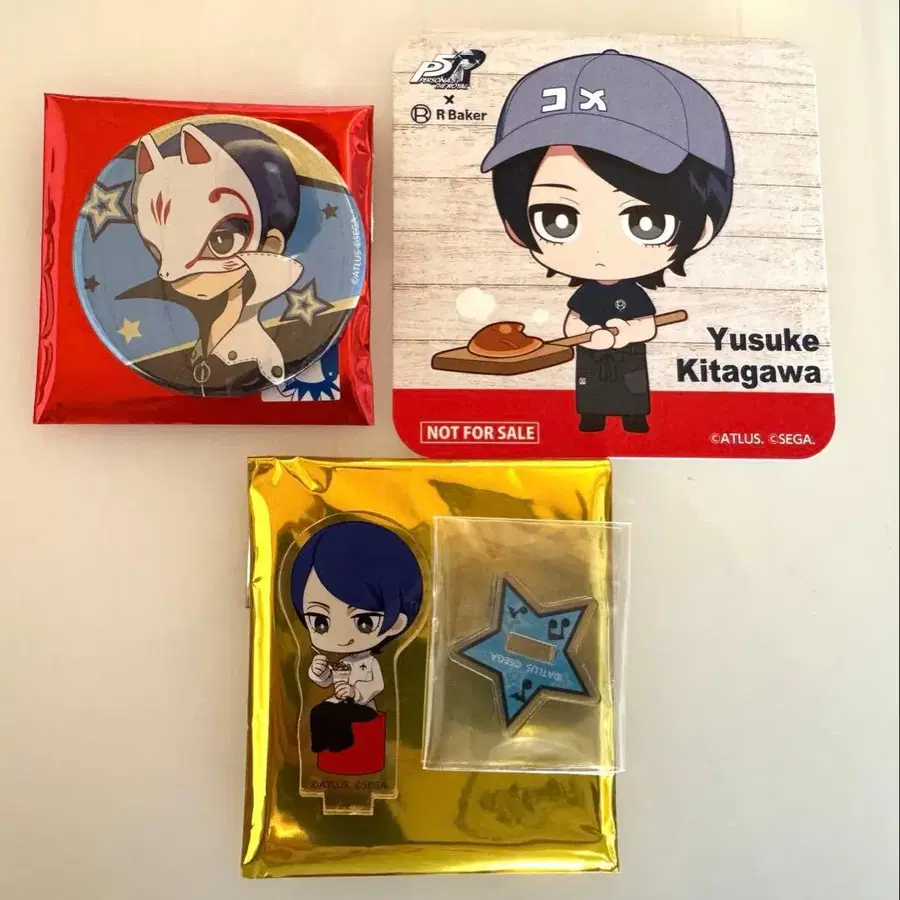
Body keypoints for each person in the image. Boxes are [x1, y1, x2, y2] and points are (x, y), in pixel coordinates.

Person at [482, 50, 734, 433]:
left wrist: (630, 332)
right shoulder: (586, 295)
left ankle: (634, 418)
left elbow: (646, 323)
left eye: (646, 221)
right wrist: (582, 334)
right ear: (516, 227)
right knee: (591, 391)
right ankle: (592, 417)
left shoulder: (634, 294)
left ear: (701, 230)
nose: (600, 250)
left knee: (632, 389)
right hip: (591, 355)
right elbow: (573, 320)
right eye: (558, 219)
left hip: (628, 356)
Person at [119, 122, 302, 393]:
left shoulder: (263, 358)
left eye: (219, 242)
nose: (168, 273)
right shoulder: (187, 342)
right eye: (158, 250)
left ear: (270, 246)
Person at [290, 521, 423, 755]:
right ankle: (323, 747)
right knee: (319, 712)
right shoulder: (342, 662)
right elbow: (326, 681)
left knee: (338, 716)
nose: (342, 638)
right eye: (320, 621)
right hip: (340, 702)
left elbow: (376, 685)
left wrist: (355, 693)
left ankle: (342, 748)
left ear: (396, 624)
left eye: (364, 621)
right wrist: (319, 672)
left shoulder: (369, 663)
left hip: (362, 706)